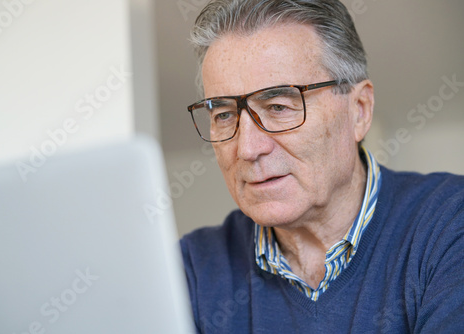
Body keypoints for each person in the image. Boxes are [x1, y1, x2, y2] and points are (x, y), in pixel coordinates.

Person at [180, 0, 464, 333]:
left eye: (279, 106)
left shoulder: (449, 225)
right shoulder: (191, 268)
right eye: (224, 115)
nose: (248, 148)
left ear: (359, 110)